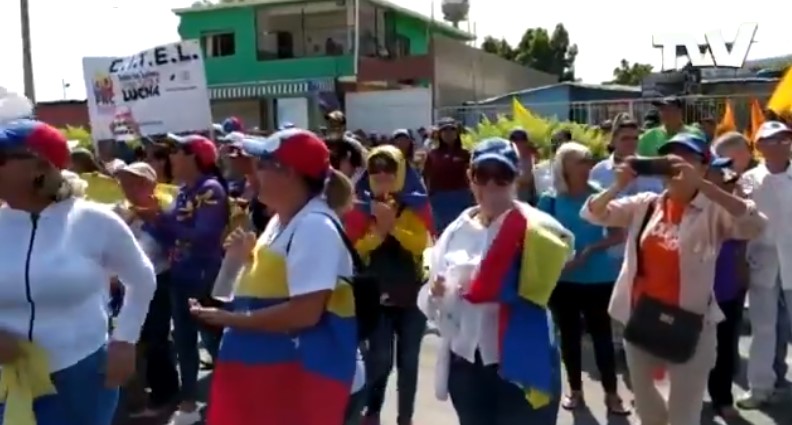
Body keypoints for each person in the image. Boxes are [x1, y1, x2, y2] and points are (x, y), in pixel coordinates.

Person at [582, 132, 765, 425]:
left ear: (705, 166)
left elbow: (755, 224)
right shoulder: (646, 204)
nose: (676, 164)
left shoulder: (712, 210)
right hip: (641, 321)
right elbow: (593, 213)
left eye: (687, 158)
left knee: (684, 416)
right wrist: (618, 185)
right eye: (670, 158)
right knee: (650, 412)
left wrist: (704, 186)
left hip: (691, 326)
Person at [190, 129, 358, 425]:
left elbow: (305, 313)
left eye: (261, 165)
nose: (252, 173)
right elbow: (237, 295)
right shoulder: (280, 222)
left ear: (288, 173)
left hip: (301, 384)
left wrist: (229, 320)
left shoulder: (314, 227)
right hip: (273, 381)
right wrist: (237, 262)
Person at [0, 119, 156, 424]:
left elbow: (141, 276)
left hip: (81, 375)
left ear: (39, 168)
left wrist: (125, 340)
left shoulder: (93, 220)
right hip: (8, 376)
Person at [420, 138, 573, 425]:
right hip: (468, 362)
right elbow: (432, 302)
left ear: (516, 178)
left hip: (523, 357)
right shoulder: (455, 231)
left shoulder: (539, 227)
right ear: (470, 179)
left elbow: (565, 254)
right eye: (482, 175)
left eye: (501, 176)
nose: (491, 185)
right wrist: (436, 292)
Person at [140, 133, 230, 425]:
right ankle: (189, 402)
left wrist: (163, 221)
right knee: (184, 342)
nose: (172, 158)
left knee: (214, 341)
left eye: (178, 151)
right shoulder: (182, 191)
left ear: (194, 157)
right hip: (181, 275)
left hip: (205, 276)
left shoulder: (211, 189)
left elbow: (204, 235)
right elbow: (172, 238)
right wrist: (150, 219)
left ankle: (234, 396)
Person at [537, 142, 628, 414]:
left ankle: (612, 394)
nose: (588, 167)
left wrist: (589, 251)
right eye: (581, 161)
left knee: (602, 337)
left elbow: (618, 234)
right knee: (570, 337)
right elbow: (540, 238)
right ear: (564, 167)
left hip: (599, 278)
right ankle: (575, 390)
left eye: (589, 161)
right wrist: (561, 260)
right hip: (564, 280)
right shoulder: (550, 200)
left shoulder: (601, 196)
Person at [344, 145, 433, 425]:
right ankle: (372, 412)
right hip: (376, 295)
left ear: (401, 172)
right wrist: (378, 233)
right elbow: (353, 250)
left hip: (412, 295)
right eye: (375, 170)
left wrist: (393, 226)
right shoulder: (359, 205)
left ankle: (404, 417)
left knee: (409, 362)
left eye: (389, 170)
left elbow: (421, 243)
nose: (382, 176)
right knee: (379, 359)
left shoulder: (416, 202)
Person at [115, 162, 181, 418]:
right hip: (125, 285)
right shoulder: (118, 210)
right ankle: (143, 393)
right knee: (136, 339)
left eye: (136, 182)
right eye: (125, 182)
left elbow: (174, 243)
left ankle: (166, 395)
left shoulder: (166, 207)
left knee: (157, 339)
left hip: (158, 281)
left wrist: (153, 219)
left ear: (151, 184)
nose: (129, 187)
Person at [737, 121, 792, 409]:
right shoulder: (748, 180)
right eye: (773, 140)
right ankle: (760, 388)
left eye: (784, 138)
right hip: (762, 259)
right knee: (763, 328)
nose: (781, 144)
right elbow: (742, 220)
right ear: (759, 146)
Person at [705, 164, 748, 418]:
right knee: (688, 348)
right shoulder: (692, 203)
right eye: (720, 174)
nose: (727, 179)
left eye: (730, 176)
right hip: (694, 289)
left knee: (724, 346)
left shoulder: (737, 206)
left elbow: (744, 240)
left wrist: (742, 268)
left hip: (726, 287)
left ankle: (722, 398)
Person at [590, 113, 663, 196]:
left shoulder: (651, 169)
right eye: (625, 138)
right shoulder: (599, 171)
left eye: (635, 138)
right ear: (613, 140)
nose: (631, 143)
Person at [423, 117, 473, 231]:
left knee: (462, 229)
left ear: (457, 133)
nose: (448, 133)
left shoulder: (465, 154)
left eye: (452, 130)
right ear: (439, 134)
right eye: (445, 131)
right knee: (443, 232)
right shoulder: (432, 155)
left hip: (462, 197)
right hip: (439, 199)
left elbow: (473, 175)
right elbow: (426, 176)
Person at [637, 96, 703, 156]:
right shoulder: (649, 136)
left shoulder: (695, 134)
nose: (664, 113)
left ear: (679, 111)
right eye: (661, 109)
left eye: (669, 109)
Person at [508, 128, 539, 205]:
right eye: (516, 141)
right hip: (511, 200)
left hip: (529, 201)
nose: (519, 144)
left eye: (521, 141)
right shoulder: (508, 157)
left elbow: (528, 178)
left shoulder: (531, 157)